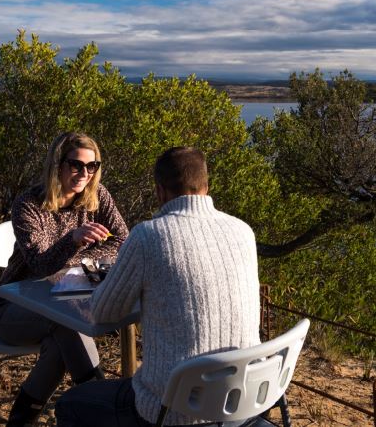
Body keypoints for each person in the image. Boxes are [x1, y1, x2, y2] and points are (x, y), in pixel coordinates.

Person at [55, 146, 261, 427]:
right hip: (242, 401)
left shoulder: (148, 236)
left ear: (160, 191)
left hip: (173, 410)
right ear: (206, 185)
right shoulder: (242, 231)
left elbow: (102, 313)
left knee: (71, 404)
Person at [0, 131, 129, 426]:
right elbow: (40, 265)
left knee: (60, 345)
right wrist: (75, 240)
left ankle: (20, 420)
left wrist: (74, 262)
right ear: (57, 164)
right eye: (76, 165)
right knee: (67, 322)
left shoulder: (97, 196)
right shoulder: (28, 205)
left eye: (92, 166)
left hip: (64, 301)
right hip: (12, 309)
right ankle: (102, 406)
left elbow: (121, 242)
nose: (85, 173)